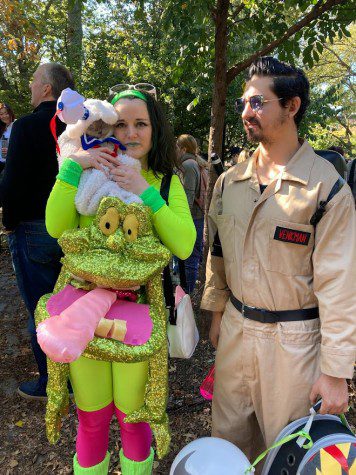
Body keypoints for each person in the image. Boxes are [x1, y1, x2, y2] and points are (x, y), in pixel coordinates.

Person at [201, 56, 356, 469]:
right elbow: (218, 253)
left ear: (292, 106)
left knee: (288, 452)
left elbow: (340, 284)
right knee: (228, 445)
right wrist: (217, 311)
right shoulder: (229, 181)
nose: (246, 113)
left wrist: (337, 371)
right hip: (235, 332)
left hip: (295, 345)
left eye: (258, 102)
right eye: (243, 103)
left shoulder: (327, 190)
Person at [45, 87, 196, 474]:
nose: (130, 132)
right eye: (121, 122)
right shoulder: (87, 172)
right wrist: (73, 165)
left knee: (134, 418)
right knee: (92, 418)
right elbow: (55, 225)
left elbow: (183, 243)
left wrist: (144, 191)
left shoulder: (164, 183)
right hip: (82, 315)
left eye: (140, 123)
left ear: (154, 129)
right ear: (104, 124)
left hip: (138, 320)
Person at [0, 63, 75, 400]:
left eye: (33, 80)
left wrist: (9, 221)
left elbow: (12, 184)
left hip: (33, 228)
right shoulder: (81, 122)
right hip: (75, 230)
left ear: (47, 89)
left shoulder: (27, 126)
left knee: (42, 309)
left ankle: (51, 383)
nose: (29, 86)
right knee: (74, 305)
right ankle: (78, 378)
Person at [176, 134, 207, 294]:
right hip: (197, 217)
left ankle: (186, 294)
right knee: (189, 258)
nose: (174, 150)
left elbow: (187, 196)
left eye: (176, 146)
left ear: (184, 149)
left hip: (192, 218)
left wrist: (181, 221)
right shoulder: (194, 163)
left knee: (189, 259)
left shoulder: (188, 166)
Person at [0, 102, 16, 174]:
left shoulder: (17, 125)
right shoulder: (1, 127)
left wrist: (10, 150)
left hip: (12, 163)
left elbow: (24, 144)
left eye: (6, 113)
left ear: (10, 113)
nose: (4, 116)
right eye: (1, 114)